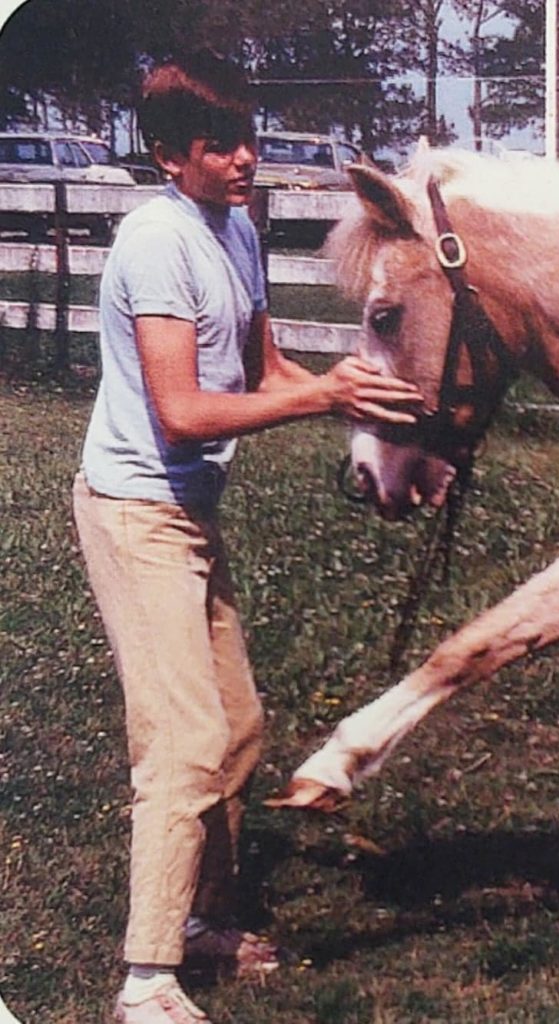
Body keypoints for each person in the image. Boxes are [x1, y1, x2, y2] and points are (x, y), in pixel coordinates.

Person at [72, 53, 422, 1024]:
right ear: (169, 157)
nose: (245, 160)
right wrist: (323, 394)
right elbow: (182, 410)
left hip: (191, 510)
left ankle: (202, 922)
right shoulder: (154, 242)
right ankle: (145, 978)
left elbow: (265, 370)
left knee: (239, 725)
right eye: (220, 147)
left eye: (248, 140)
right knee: (183, 739)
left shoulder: (234, 231)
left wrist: (363, 397)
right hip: (136, 509)